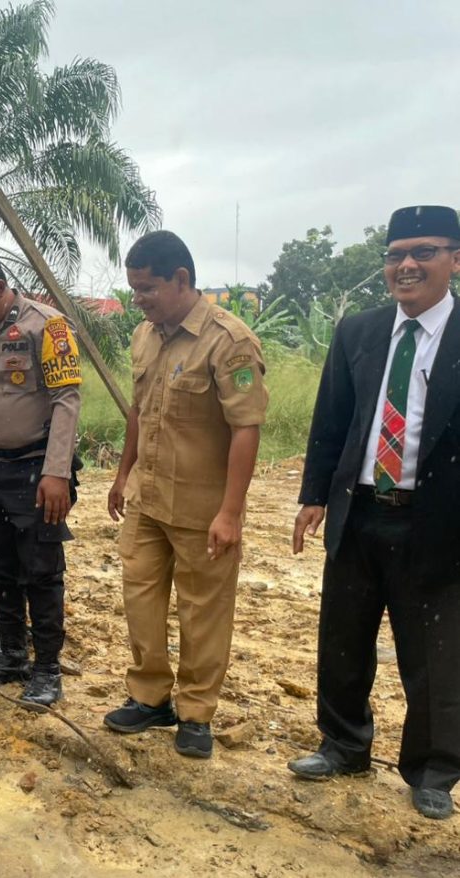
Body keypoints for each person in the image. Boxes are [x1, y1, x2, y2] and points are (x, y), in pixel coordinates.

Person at [289, 205, 460, 821]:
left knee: (434, 655)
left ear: (455, 259)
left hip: (437, 522)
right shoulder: (358, 332)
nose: (407, 265)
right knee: (342, 637)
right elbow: (331, 420)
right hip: (359, 513)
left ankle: (433, 769)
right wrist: (313, 496)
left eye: (424, 252)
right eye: (395, 255)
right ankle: (342, 744)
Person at [103, 231, 267, 759]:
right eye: (134, 290)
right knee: (141, 599)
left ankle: (196, 712)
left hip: (202, 507)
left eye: (147, 288)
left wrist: (231, 512)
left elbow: (246, 427)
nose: (140, 300)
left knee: (203, 611)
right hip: (148, 499)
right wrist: (121, 474)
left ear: (180, 279)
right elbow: (138, 409)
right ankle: (150, 697)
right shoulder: (145, 336)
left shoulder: (228, 340)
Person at [0, 246, 82, 709]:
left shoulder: (48, 326)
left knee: (42, 570)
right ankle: (10, 656)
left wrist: (57, 472)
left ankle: (47, 669)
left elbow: (67, 400)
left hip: (39, 467)